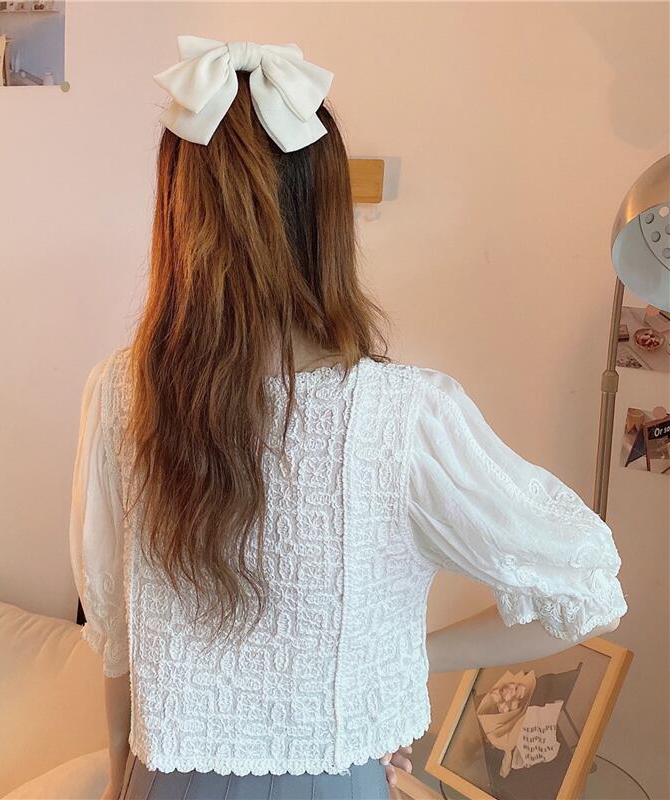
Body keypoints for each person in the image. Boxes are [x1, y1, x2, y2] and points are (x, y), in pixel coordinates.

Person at [68, 35, 628, 800]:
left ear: (175, 210)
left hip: (162, 781)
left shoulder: (120, 394)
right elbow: (586, 590)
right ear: (326, 216)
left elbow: (115, 633)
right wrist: (399, 660)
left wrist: (117, 778)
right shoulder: (405, 418)